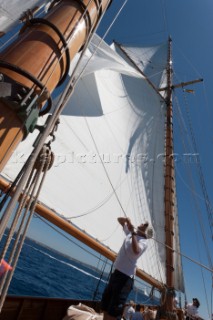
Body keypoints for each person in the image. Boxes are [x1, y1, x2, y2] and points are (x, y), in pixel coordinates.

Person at [101, 217, 153, 320]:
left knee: (113, 313)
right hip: (116, 274)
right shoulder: (131, 234)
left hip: (125, 279)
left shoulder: (143, 242)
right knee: (105, 307)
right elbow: (119, 220)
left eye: (145, 224)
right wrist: (126, 220)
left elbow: (136, 251)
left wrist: (133, 232)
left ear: (146, 232)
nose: (142, 223)